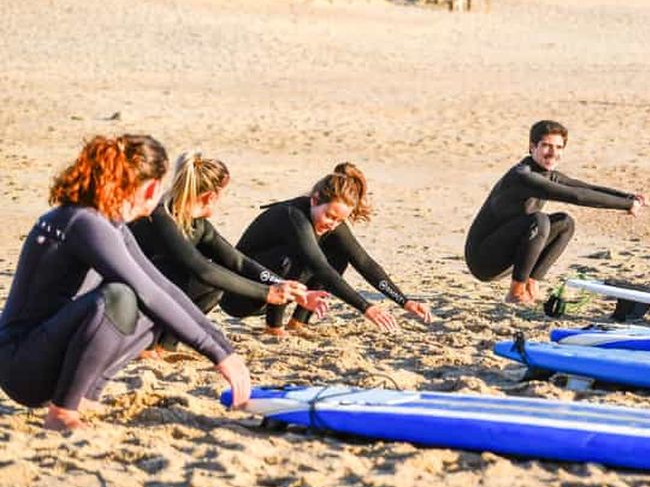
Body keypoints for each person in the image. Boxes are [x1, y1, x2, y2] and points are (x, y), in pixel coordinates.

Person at [0, 135, 251, 431]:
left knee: (156, 302)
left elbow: (163, 288)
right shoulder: (83, 222)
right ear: (151, 187)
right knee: (120, 297)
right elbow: (146, 292)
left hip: (46, 355)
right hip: (21, 366)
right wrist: (218, 355)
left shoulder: (109, 222)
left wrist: (225, 349)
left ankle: (85, 396)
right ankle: (62, 413)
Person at [129, 151, 328, 351]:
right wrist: (267, 293)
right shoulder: (161, 217)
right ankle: (146, 344)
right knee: (205, 279)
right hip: (122, 302)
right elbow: (202, 270)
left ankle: (162, 346)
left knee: (215, 284)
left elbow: (238, 262)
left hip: (146, 296)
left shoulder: (198, 225)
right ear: (211, 197)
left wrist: (285, 286)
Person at [221, 162, 432, 335]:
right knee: (297, 257)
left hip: (278, 292)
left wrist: (404, 301)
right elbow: (320, 268)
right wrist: (366, 307)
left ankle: (298, 322)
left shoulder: (332, 223)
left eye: (340, 219)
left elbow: (364, 262)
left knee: (338, 253)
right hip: (242, 296)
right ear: (314, 200)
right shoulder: (293, 217)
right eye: (330, 216)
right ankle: (274, 328)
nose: (332, 223)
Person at [465, 120, 647, 305]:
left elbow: (585, 188)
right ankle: (516, 292)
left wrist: (629, 197)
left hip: (510, 255)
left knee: (565, 222)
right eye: (546, 146)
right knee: (538, 220)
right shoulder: (523, 176)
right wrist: (626, 206)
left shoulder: (548, 173)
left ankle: (531, 283)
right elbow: (576, 196)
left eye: (559, 147)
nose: (553, 153)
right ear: (532, 147)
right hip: (484, 260)